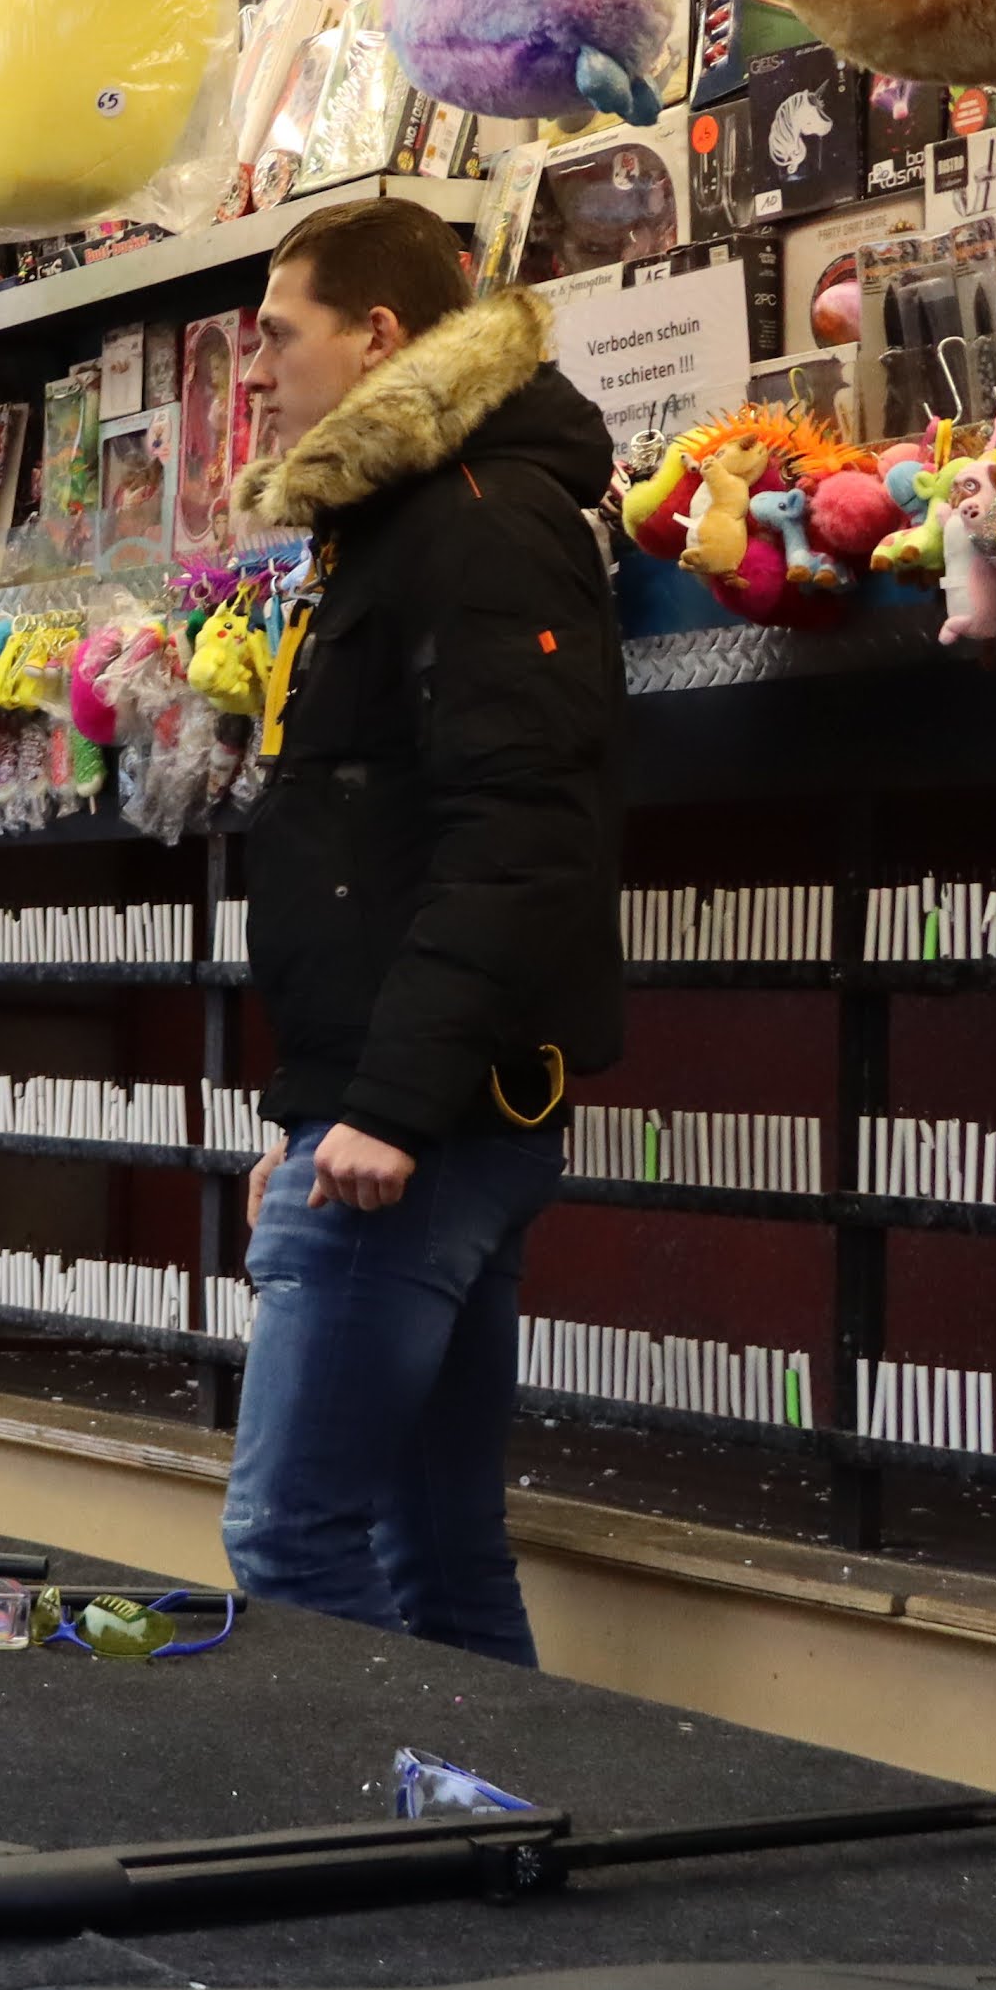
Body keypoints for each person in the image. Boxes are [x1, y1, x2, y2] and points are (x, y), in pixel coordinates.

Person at [227, 197, 626, 1669]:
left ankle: (386, 1808)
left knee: (290, 1535)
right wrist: (314, 1103)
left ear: (376, 335)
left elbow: (515, 831)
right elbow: (371, 851)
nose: (254, 373)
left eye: (278, 336)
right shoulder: (402, 520)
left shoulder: (474, 521)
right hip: (407, 1112)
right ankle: (487, 1803)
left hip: (427, 1129)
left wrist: (381, 1105)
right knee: (434, 1549)